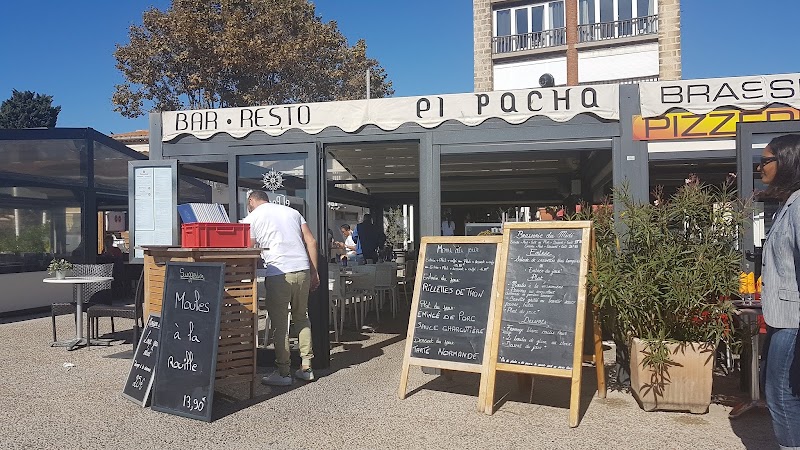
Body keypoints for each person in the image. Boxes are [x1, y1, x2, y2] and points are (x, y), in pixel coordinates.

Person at [241, 190, 320, 385]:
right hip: (302, 269)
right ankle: (307, 367)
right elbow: (311, 241)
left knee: (280, 324)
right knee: (302, 318)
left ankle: (283, 372)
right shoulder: (292, 212)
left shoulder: (252, 217)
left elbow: (248, 249)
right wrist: (314, 272)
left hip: (278, 273)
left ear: (251, 200)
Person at [758, 134, 800, 448]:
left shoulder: (799, 206)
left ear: (786, 162)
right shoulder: (790, 203)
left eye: (766, 161)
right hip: (782, 315)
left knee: (780, 393)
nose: (761, 168)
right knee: (782, 389)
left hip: (792, 319)